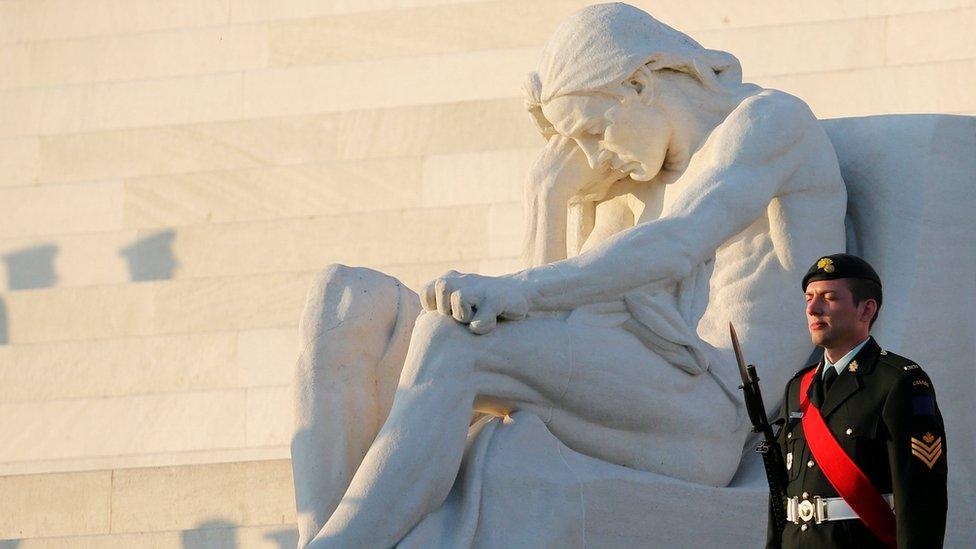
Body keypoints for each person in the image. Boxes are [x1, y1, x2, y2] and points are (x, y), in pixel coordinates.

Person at [293, 4, 847, 547]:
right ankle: (323, 535)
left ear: (638, 86)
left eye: (593, 129)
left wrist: (515, 290)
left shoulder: (771, 123)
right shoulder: (635, 172)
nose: (589, 154)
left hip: (711, 412)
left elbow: (678, 242)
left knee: (453, 343)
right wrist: (548, 197)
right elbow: (555, 323)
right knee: (345, 298)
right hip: (640, 391)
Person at [767, 253, 948, 548]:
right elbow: (780, 498)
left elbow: (920, 499)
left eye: (828, 298)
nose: (813, 308)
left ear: (866, 310)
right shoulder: (798, 387)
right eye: (809, 298)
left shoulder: (898, 381)